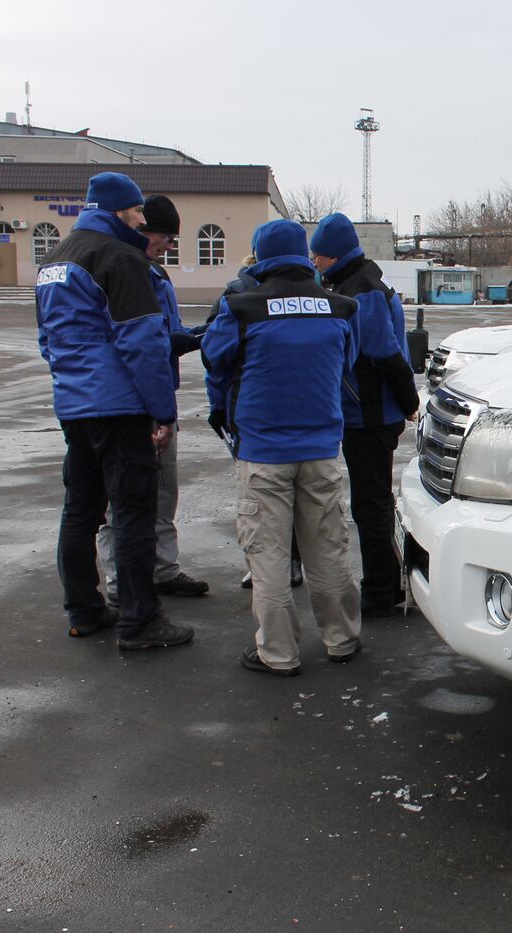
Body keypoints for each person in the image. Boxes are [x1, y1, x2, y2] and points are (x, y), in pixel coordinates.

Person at [201, 219, 369, 676]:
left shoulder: (240, 307)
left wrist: (223, 414)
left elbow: (216, 364)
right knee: (328, 549)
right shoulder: (341, 308)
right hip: (322, 448)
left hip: (262, 452)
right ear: (302, 254)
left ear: (260, 256)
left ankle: (277, 653)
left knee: (269, 556)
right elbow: (346, 364)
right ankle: (342, 640)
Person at [35, 172, 193, 651]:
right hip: (120, 407)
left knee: (80, 511)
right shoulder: (121, 259)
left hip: (75, 405)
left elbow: (47, 341)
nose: (143, 219)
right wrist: (161, 412)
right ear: (118, 210)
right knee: (132, 512)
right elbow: (142, 342)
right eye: (138, 210)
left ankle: (84, 610)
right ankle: (140, 621)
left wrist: (74, 384)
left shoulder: (54, 261)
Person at [96, 194, 210, 605]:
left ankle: (162, 569)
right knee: (122, 502)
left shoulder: (157, 274)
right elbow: (138, 343)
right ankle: (119, 585)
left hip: (159, 396)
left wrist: (196, 334)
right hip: (131, 403)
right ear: (144, 231)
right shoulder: (125, 269)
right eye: (166, 237)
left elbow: (163, 333)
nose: (169, 245)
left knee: (163, 492)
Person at [310, 213, 420, 617]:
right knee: (372, 501)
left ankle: (382, 588)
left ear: (335, 255)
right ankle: (385, 582)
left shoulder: (362, 289)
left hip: (370, 413)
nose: (315, 261)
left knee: (371, 504)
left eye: (319, 255)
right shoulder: (360, 280)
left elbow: (385, 354)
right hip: (368, 410)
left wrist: (408, 402)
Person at [209, 247, 304, 591]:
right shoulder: (306, 294)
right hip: (304, 419)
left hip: (252, 422)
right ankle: (291, 563)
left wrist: (219, 409)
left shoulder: (236, 298)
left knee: (259, 502)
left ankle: (265, 569)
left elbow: (215, 360)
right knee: (299, 500)